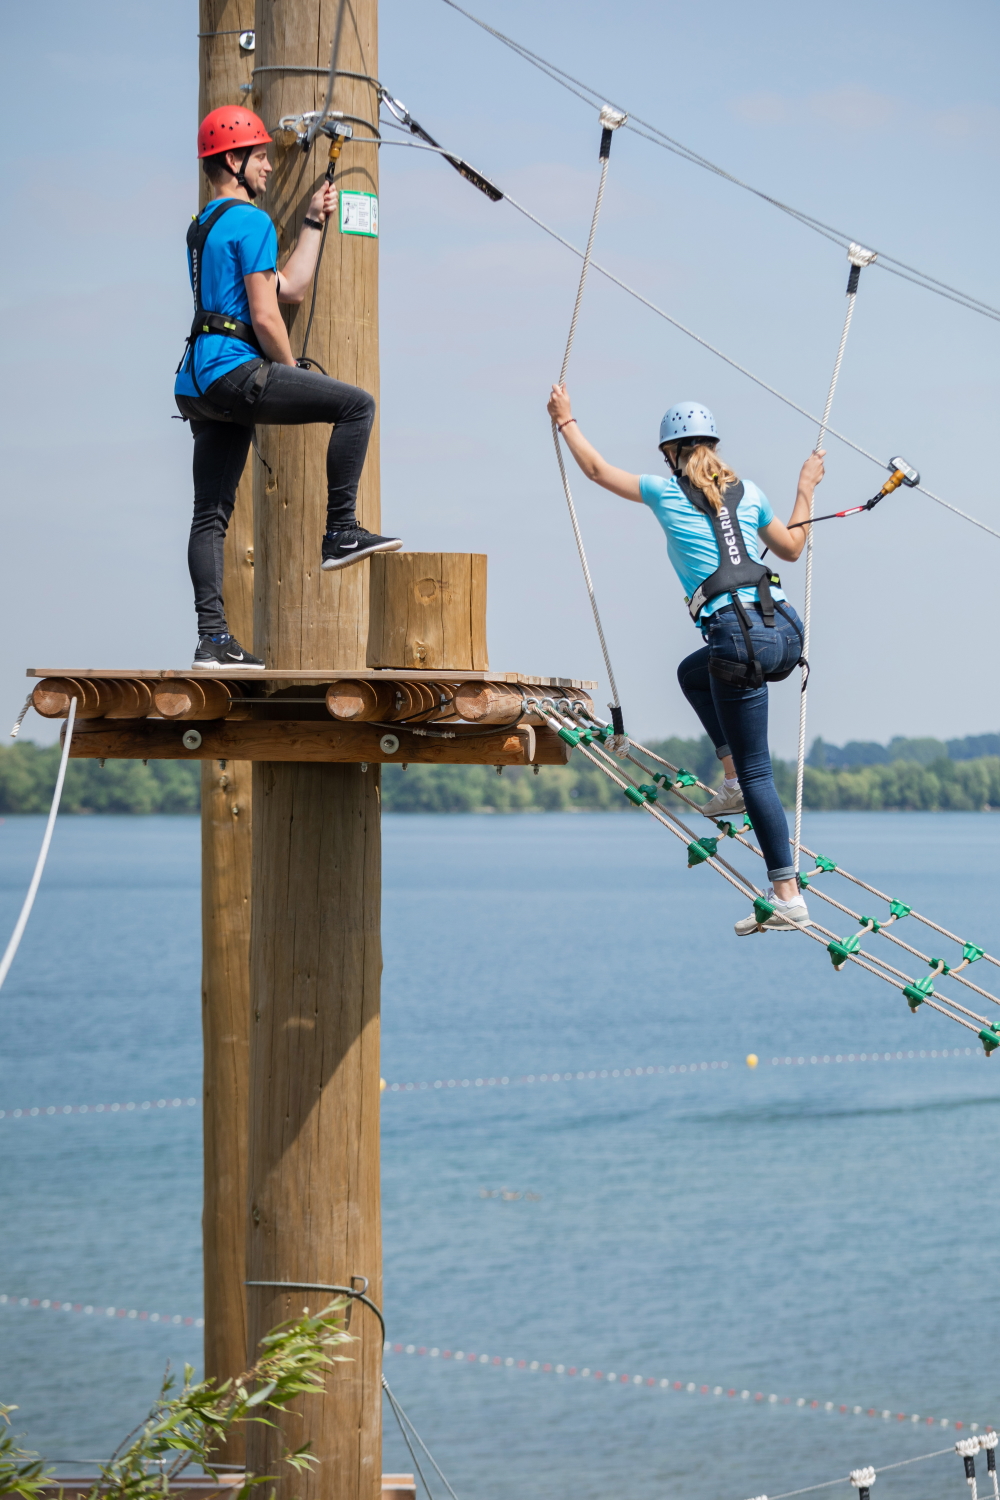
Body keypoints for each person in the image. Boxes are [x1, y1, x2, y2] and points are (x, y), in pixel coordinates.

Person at [546, 385, 825, 935]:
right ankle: (731, 784)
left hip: (736, 639)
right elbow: (792, 549)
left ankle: (786, 891)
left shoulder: (665, 490)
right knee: (690, 674)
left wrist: (566, 420)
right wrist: (806, 489)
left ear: (668, 453)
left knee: (759, 771)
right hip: (782, 632)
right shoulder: (750, 492)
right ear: (713, 446)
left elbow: (598, 471)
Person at [175, 107, 401, 670]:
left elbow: (290, 286)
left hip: (196, 381)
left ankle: (213, 641)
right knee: (356, 405)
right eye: (260, 156)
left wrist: (311, 223)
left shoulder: (204, 225)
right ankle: (341, 532)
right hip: (234, 370)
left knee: (210, 514)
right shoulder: (250, 221)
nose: (271, 167)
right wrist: (291, 366)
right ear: (234, 160)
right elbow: (267, 315)